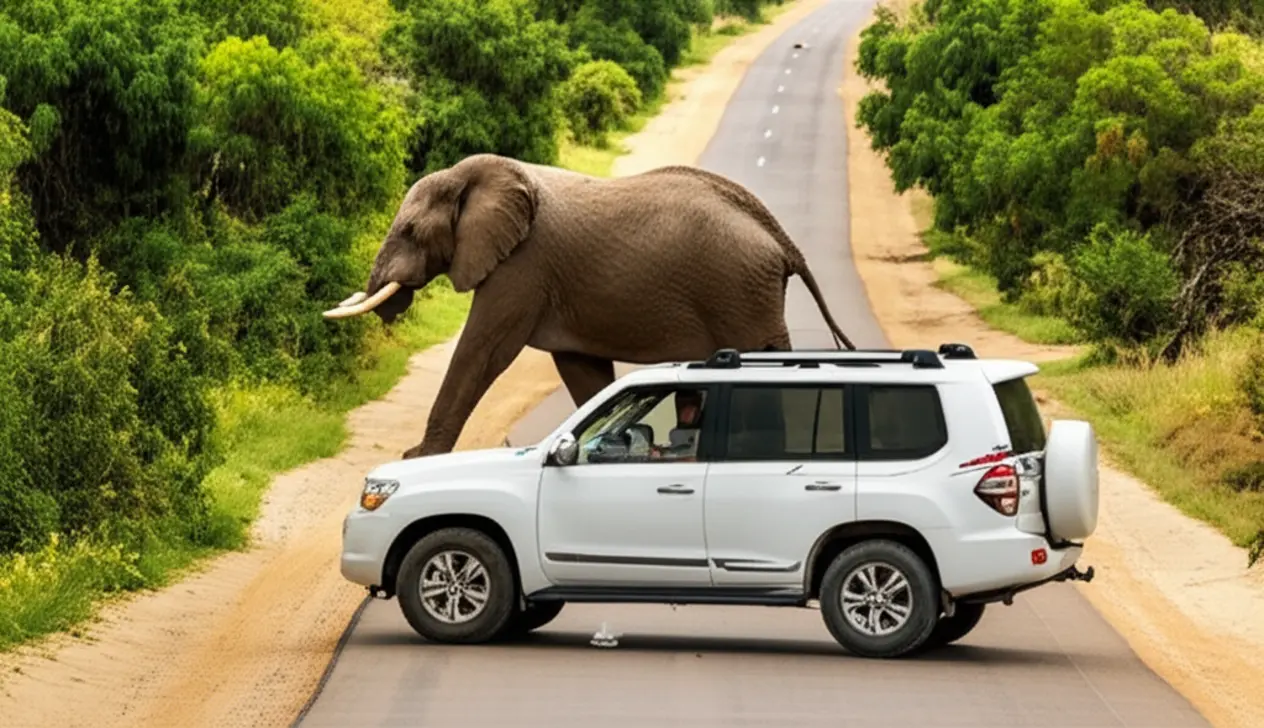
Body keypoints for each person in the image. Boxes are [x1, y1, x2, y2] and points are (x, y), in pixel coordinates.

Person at [651, 389, 705, 461]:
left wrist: (664, 455)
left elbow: (692, 457)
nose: (685, 410)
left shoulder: (704, 435)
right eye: (681, 404)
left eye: (691, 405)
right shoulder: (678, 433)